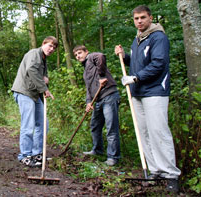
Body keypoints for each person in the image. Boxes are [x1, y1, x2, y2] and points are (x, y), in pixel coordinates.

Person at [114, 5, 181, 192]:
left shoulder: (158, 37)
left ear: (150, 18)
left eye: (143, 17)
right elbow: (137, 62)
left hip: (155, 91)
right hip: (138, 93)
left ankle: (171, 175)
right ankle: (156, 170)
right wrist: (124, 57)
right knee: (144, 133)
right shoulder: (137, 40)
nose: (139, 21)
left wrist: (135, 78)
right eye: (136, 18)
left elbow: (158, 64)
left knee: (159, 132)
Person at [11, 36, 58, 167]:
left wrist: (45, 79)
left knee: (43, 124)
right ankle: (25, 156)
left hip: (35, 95)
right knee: (28, 125)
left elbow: (42, 76)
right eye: (50, 45)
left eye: (54, 48)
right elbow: (31, 69)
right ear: (43, 44)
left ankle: (37, 154)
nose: (51, 49)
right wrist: (44, 88)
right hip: (24, 92)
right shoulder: (34, 53)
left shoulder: (43, 60)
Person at [73, 45, 121, 166]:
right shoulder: (85, 71)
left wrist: (102, 76)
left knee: (111, 127)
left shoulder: (92, 57)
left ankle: (113, 157)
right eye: (76, 55)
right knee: (95, 125)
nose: (78, 56)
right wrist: (89, 102)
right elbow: (89, 88)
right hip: (98, 99)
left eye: (80, 53)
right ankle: (98, 150)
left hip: (109, 95)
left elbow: (101, 56)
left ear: (86, 52)